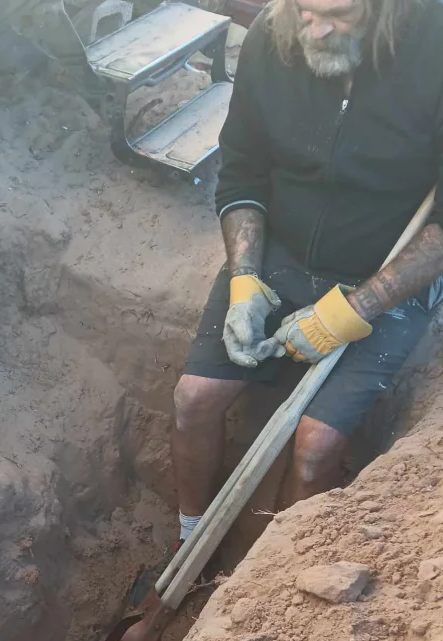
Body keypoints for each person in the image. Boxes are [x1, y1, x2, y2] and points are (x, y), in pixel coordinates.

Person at [172, 0, 443, 545]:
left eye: (339, 15)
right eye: (303, 9)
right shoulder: (270, 42)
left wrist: (354, 310)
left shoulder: (431, 50)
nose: (316, 29)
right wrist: (245, 279)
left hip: (387, 270)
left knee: (315, 447)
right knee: (193, 399)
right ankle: (189, 540)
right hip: (281, 252)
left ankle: (264, 579)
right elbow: (242, 173)